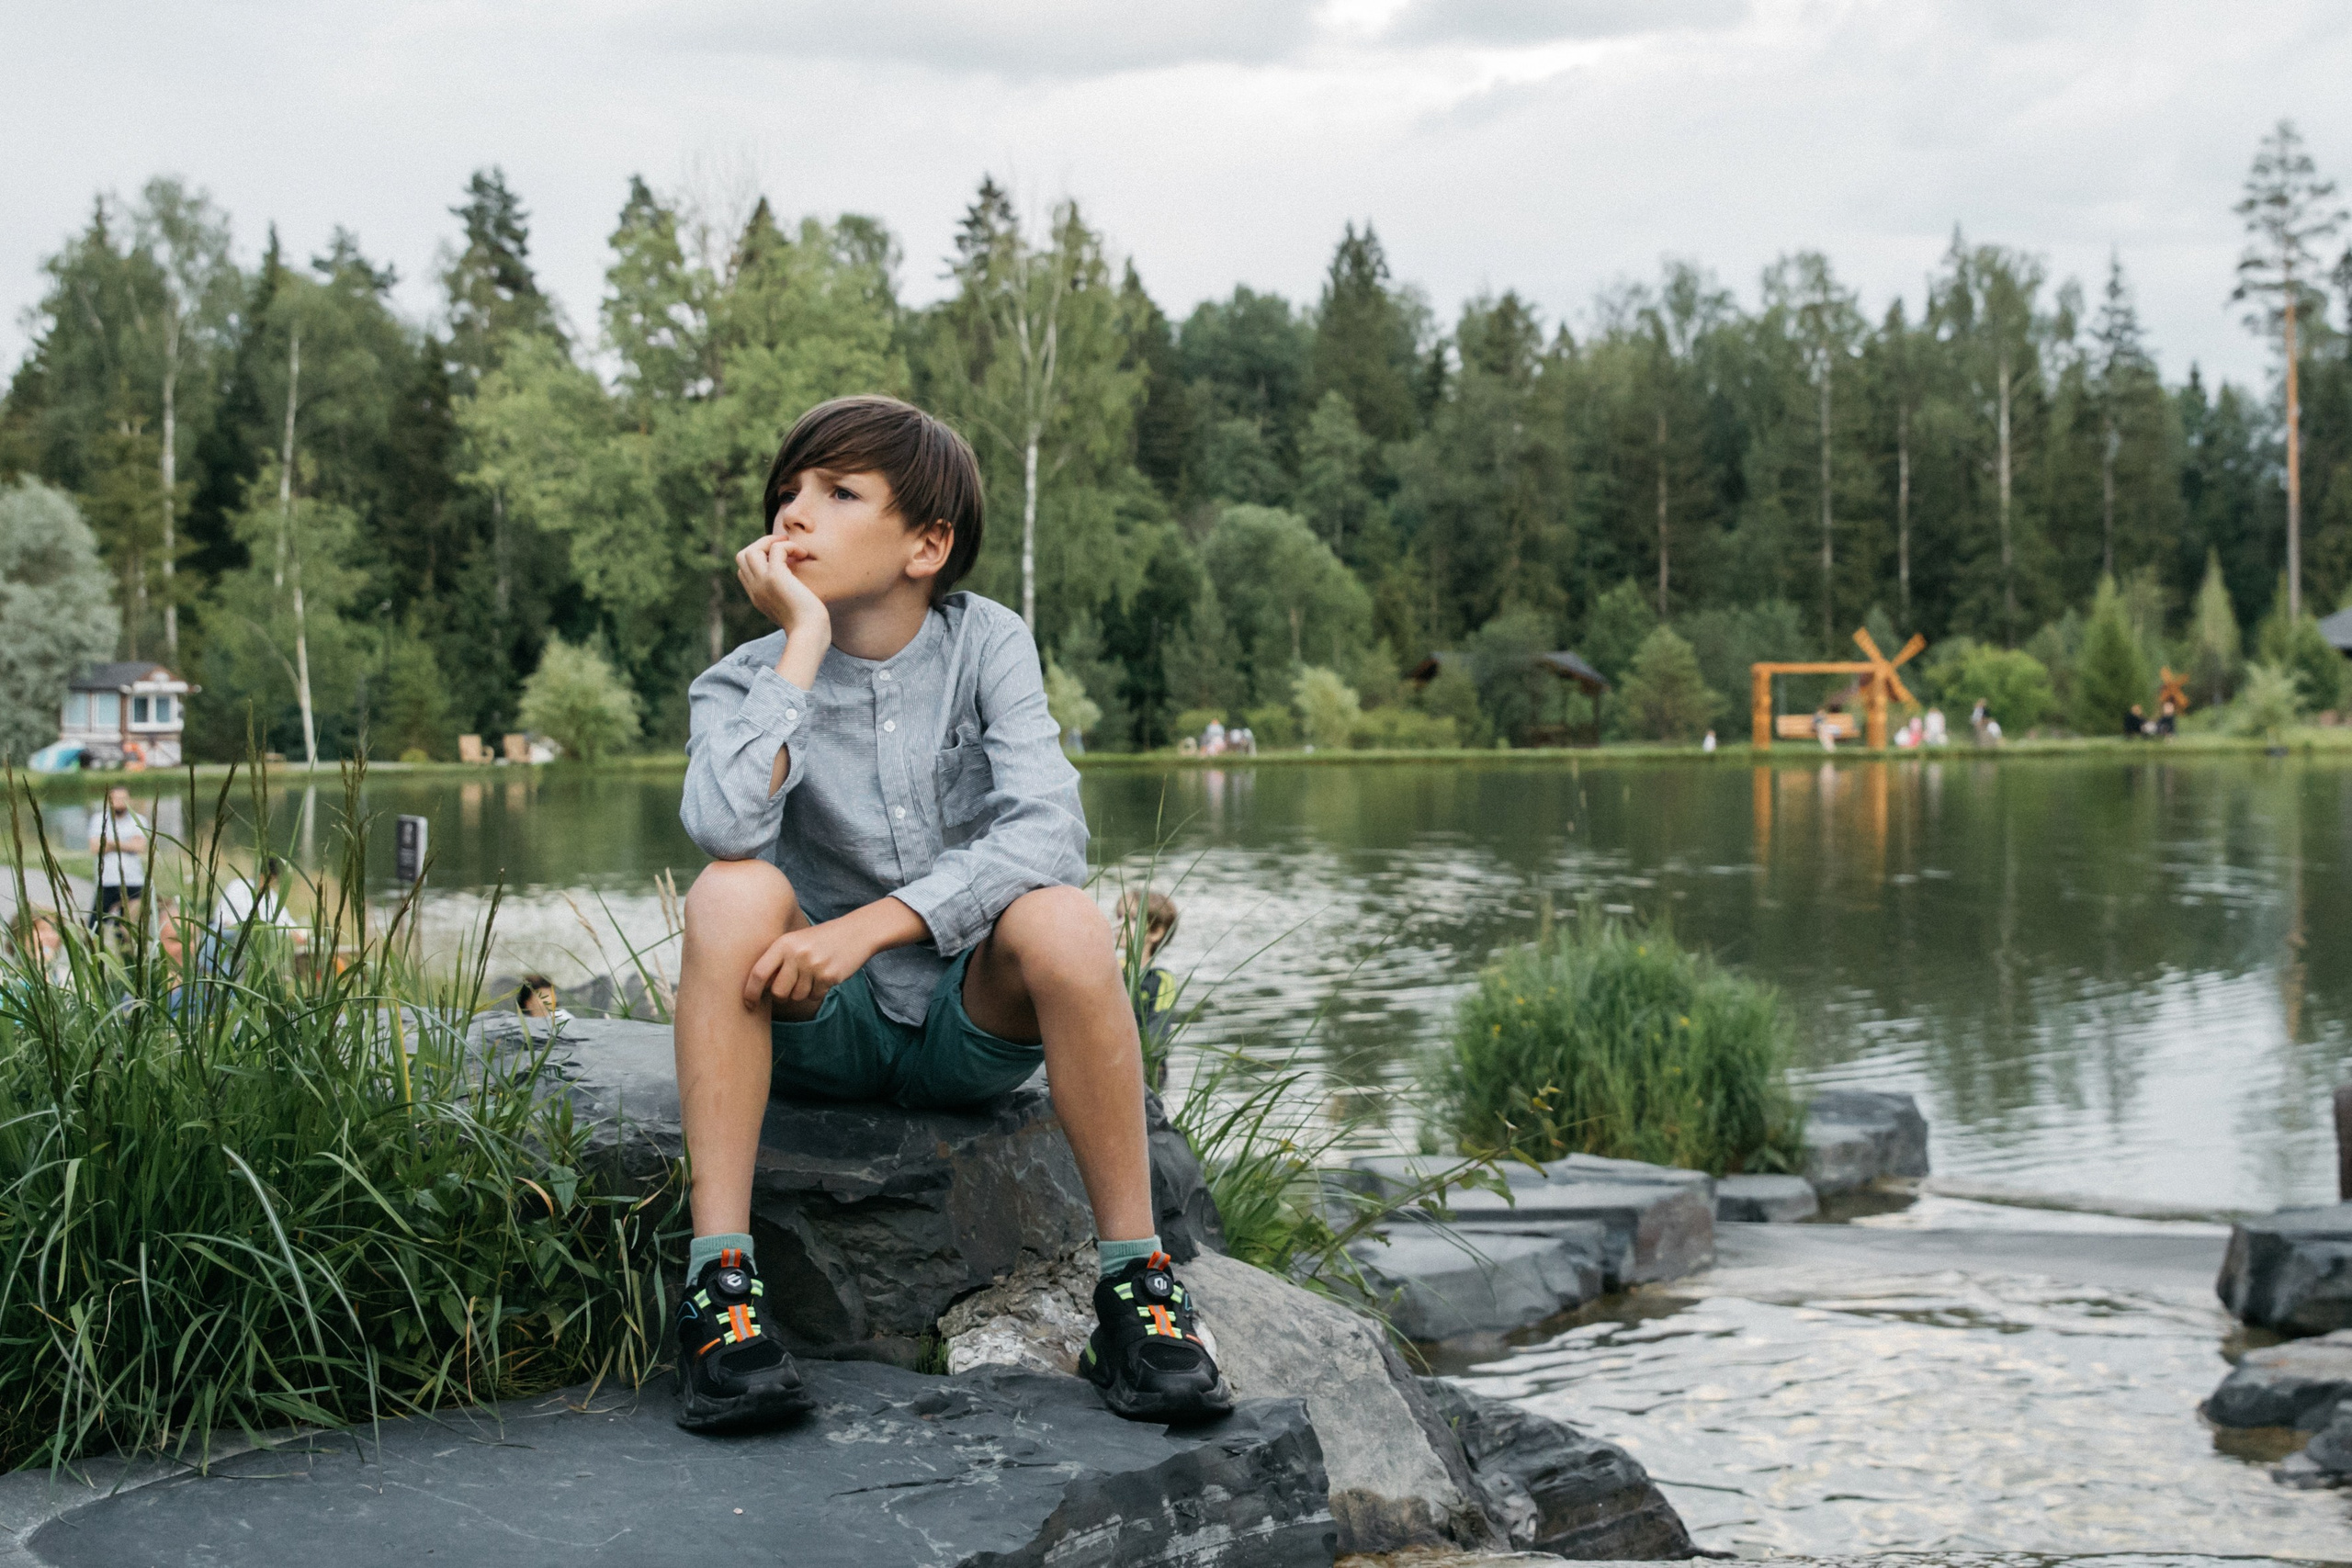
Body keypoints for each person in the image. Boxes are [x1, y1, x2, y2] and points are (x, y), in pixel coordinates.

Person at [673, 396, 1229, 1436]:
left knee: (1062, 917)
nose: (795, 514)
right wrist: (797, 643)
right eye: (786, 493)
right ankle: (720, 1297)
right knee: (729, 891)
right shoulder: (743, 680)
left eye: (838, 493)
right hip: (812, 1024)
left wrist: (872, 926)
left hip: (966, 1026)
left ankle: (1137, 1294)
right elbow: (719, 823)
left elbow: (1047, 836)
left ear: (927, 544)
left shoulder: (986, 647)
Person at [1114, 889, 1182, 1085]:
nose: (1120, 924)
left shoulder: (1161, 980)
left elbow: (1158, 1032)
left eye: (1132, 919)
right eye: (1119, 917)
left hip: (1147, 1068)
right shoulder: (1107, 968)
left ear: (1156, 932)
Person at [87, 786, 149, 932]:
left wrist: (109, 842)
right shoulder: (99, 819)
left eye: (123, 799)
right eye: (116, 798)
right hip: (107, 881)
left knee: (130, 929)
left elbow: (139, 847)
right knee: (95, 927)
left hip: (133, 881)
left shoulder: (139, 819)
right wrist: (127, 843)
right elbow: (95, 847)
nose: (119, 802)